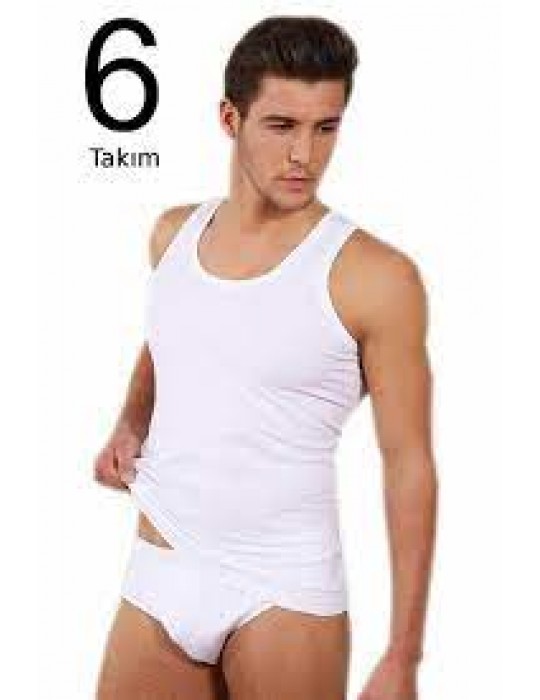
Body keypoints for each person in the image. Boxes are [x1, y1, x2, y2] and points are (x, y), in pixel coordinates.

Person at [93, 14, 438, 700]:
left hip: (283, 586)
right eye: (282, 126)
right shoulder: (173, 235)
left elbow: (409, 463)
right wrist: (131, 420)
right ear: (231, 118)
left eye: (326, 128)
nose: (304, 154)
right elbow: (172, 334)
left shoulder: (375, 277)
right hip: (162, 563)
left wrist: (403, 655)